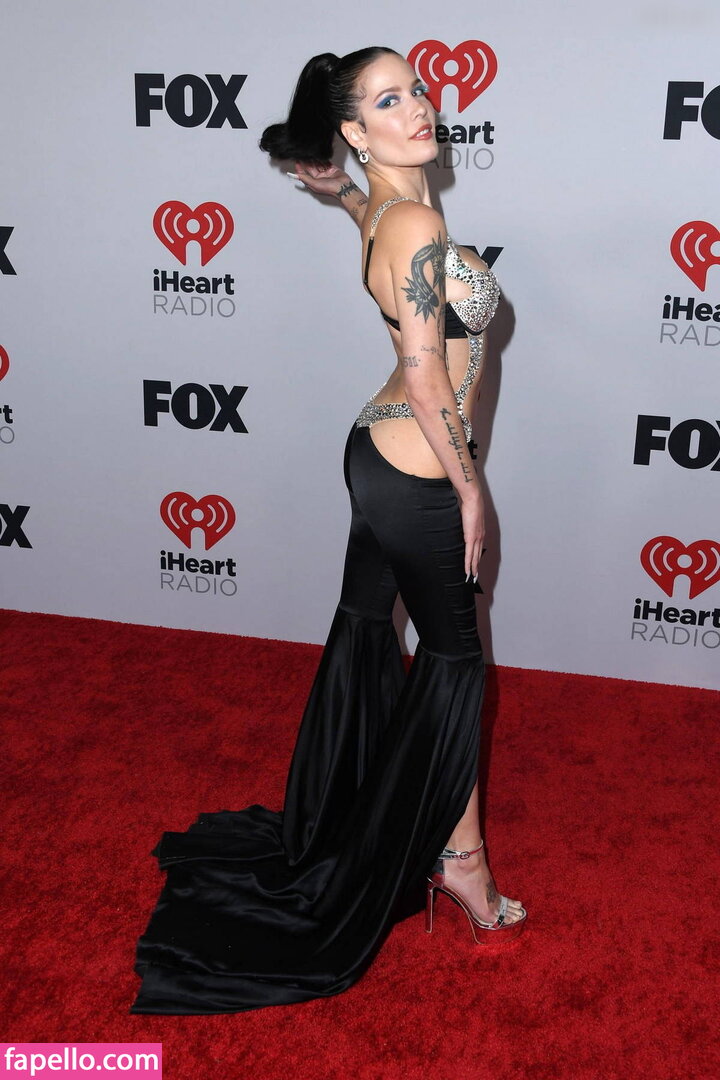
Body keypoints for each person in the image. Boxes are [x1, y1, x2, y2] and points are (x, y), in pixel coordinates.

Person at [131, 46, 525, 1017]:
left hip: (378, 457)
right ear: (355, 128)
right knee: (456, 661)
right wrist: (472, 491)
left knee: (371, 629)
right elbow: (428, 377)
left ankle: (339, 813)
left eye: (418, 89)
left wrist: (337, 190)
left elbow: (375, 231)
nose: (419, 107)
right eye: (391, 100)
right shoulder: (415, 219)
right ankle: (462, 862)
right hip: (418, 474)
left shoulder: (388, 207)